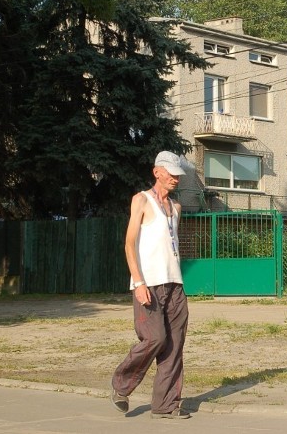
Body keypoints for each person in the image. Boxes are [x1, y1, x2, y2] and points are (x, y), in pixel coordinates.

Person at [110, 151, 191, 419]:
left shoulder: (176, 208)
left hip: (175, 285)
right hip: (149, 285)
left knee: (174, 345)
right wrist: (138, 282)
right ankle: (121, 386)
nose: (176, 178)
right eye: (171, 173)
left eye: (178, 173)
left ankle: (165, 406)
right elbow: (129, 243)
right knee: (155, 338)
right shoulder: (142, 200)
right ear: (157, 172)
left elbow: (170, 247)